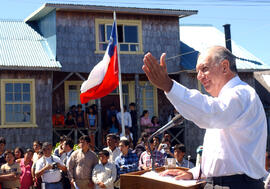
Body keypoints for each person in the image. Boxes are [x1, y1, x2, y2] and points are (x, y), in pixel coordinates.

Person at [143, 46, 267, 188]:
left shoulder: (241, 93)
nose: (199, 76)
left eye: (204, 69)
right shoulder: (225, 101)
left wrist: (169, 85)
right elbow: (223, 157)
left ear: (225, 67)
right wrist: (194, 173)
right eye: (197, 71)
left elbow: (211, 112)